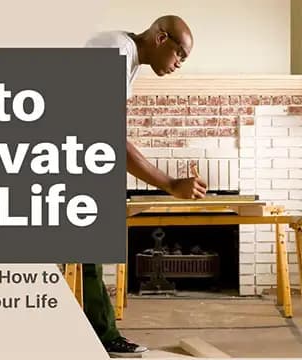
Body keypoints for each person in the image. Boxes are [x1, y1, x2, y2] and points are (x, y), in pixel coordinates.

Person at [83, 15, 208, 357]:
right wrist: (169, 183)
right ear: (160, 38)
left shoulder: (126, 55)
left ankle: (102, 337)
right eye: (179, 53)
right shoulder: (115, 52)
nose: (179, 63)